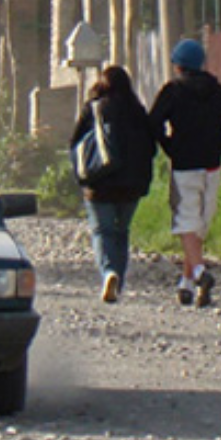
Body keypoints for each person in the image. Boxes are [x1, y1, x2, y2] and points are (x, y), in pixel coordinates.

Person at [149, 37, 221, 307]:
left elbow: (153, 123)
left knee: (186, 222)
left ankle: (199, 273)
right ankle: (186, 285)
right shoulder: (217, 90)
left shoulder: (172, 91)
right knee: (199, 226)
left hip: (184, 165)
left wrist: (169, 146)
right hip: (212, 165)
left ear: (178, 66)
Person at [69, 64, 156, 304]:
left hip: (99, 184)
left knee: (102, 231)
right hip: (132, 186)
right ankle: (119, 279)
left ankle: (109, 273)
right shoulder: (137, 110)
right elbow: (151, 148)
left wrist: (80, 176)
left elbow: (75, 144)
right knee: (121, 232)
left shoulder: (94, 109)